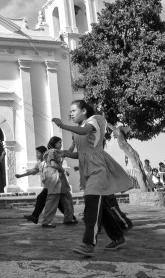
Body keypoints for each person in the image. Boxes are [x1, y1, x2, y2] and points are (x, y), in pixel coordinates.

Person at [52, 100, 133, 257]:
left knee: (91, 207)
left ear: (83, 111)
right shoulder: (77, 132)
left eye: (74, 110)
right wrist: (64, 153)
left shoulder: (95, 120)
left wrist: (62, 126)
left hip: (98, 170)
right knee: (99, 207)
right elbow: (79, 153)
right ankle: (118, 237)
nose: (71, 113)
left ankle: (88, 244)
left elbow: (86, 131)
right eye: (70, 111)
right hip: (87, 172)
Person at [16, 146, 66, 224]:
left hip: (53, 184)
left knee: (41, 198)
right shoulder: (39, 163)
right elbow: (33, 171)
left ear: (43, 153)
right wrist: (21, 176)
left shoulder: (49, 161)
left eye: (38, 153)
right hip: (48, 186)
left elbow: (58, 167)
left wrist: (63, 172)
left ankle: (35, 216)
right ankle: (70, 217)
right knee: (58, 203)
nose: (36, 155)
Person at [39, 136, 76, 228]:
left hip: (59, 178)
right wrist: (63, 170)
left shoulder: (57, 152)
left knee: (67, 198)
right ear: (54, 143)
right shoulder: (52, 152)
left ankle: (68, 218)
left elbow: (69, 152)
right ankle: (46, 222)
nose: (61, 144)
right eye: (59, 142)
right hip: (54, 178)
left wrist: (73, 142)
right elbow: (53, 164)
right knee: (52, 200)